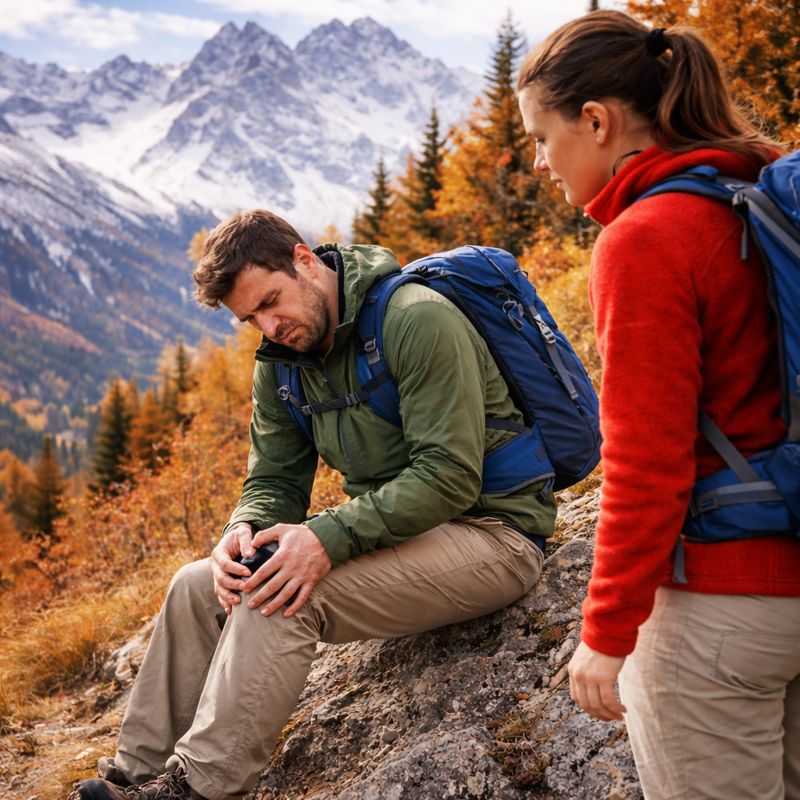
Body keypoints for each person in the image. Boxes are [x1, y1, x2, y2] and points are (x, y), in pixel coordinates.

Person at [70, 209, 553, 800]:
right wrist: (242, 529)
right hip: (404, 539)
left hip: (493, 535)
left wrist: (325, 537)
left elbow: (449, 475)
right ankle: (135, 775)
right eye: (252, 318)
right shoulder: (282, 365)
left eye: (272, 302)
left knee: (285, 593)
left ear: (305, 260)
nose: (270, 326)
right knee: (196, 585)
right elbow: (274, 477)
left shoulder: (415, 319)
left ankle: (200, 788)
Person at [515, 9, 800, 800]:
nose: (541, 162)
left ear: (598, 122)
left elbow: (649, 461)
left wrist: (606, 635)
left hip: (719, 614)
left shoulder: (647, 237)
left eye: (542, 138)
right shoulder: (763, 191)